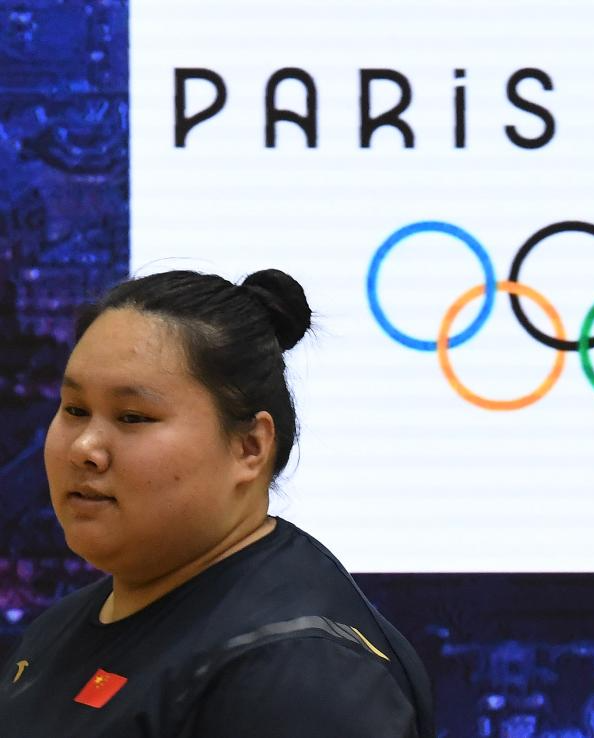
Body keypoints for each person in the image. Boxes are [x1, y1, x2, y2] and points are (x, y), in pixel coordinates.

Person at [0, 269, 435, 737]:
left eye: (132, 417)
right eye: (74, 409)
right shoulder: (57, 628)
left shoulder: (299, 670)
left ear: (250, 447)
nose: (84, 447)